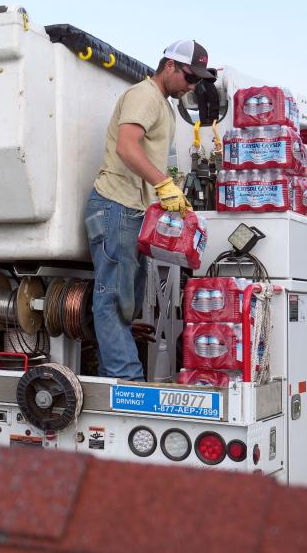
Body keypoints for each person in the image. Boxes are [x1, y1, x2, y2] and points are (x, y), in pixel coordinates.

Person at [84, 39, 215, 380]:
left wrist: (168, 193)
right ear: (170, 65)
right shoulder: (144, 96)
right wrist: (163, 184)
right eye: (190, 77)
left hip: (132, 212)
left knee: (125, 302)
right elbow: (127, 147)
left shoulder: (162, 105)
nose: (192, 86)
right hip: (115, 207)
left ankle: (118, 370)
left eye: (198, 81)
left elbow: (146, 157)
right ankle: (126, 380)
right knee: (113, 300)